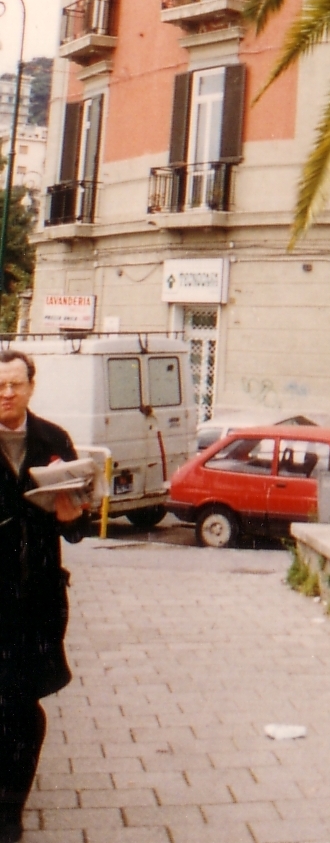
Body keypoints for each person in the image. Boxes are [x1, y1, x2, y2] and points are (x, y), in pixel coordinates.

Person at [0, 349, 88, 843]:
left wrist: (70, 516)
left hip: (35, 600)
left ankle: (10, 809)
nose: (7, 394)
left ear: (32, 387)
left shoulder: (54, 440)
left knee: (21, 705)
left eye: (16, 384)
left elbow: (74, 533)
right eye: (0, 386)